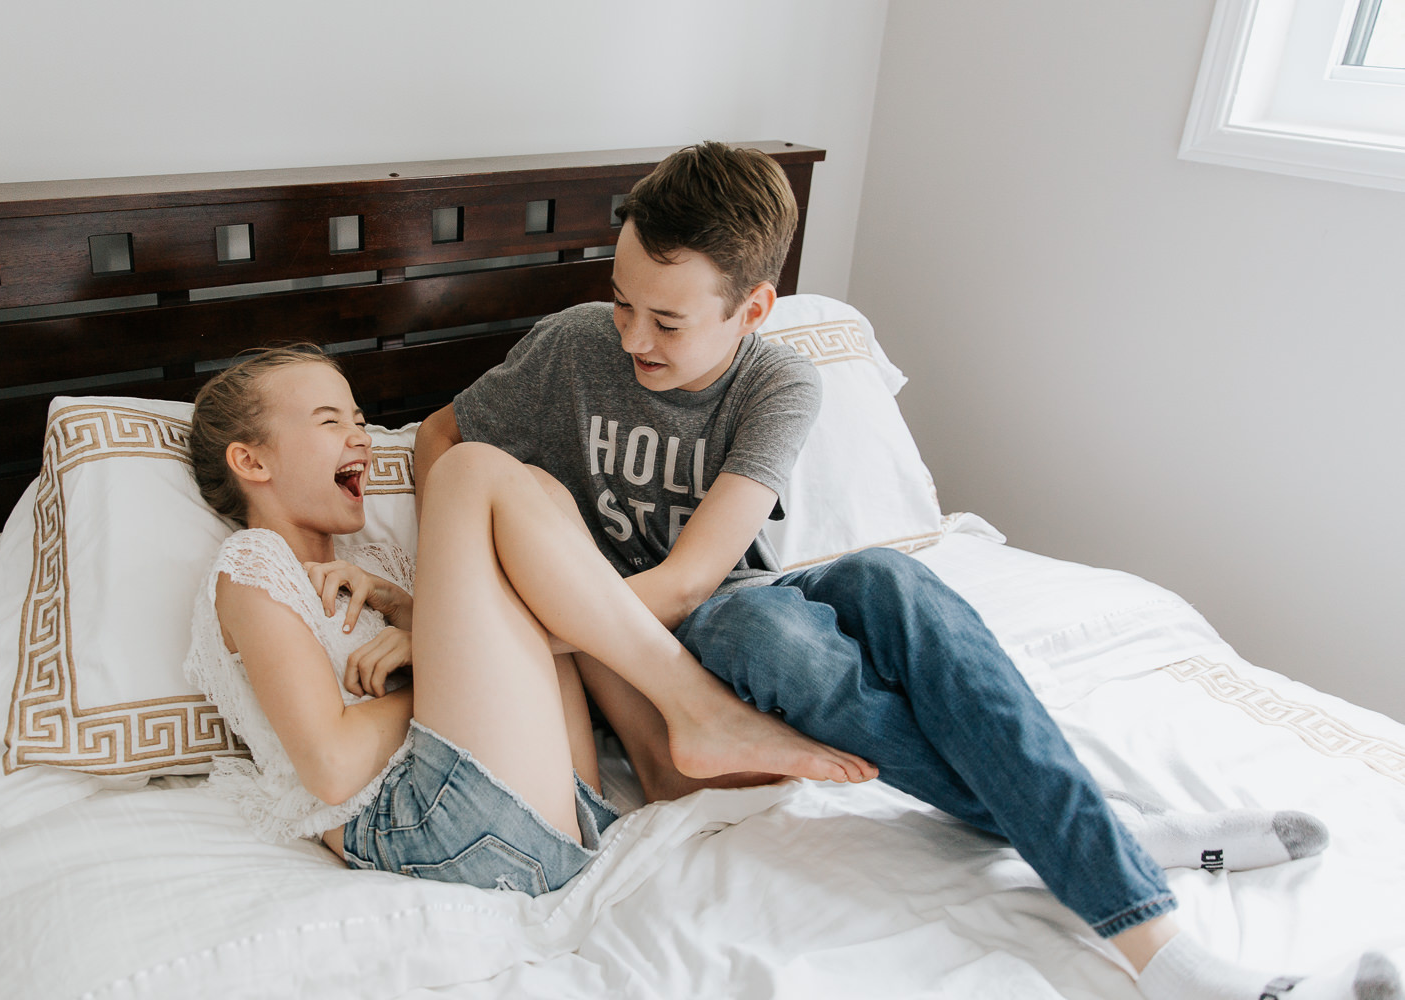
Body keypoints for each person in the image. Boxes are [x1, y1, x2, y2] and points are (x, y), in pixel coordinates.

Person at [411, 143, 1400, 999]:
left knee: (886, 579)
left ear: (754, 307)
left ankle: (1137, 876)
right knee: (758, 629)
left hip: (714, 598)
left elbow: (693, 574)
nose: (633, 337)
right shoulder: (574, 349)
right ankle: (1146, 887)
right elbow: (446, 437)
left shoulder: (781, 382)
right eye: (624, 302)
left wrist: (538, 621)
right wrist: (461, 591)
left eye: (668, 322)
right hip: (679, 647)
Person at [180, 346, 875, 898]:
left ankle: (657, 754)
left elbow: (484, 667)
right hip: (424, 826)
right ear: (251, 460)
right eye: (331, 420)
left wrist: (416, 622)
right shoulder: (252, 565)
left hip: (551, 810)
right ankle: (692, 707)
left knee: (539, 488)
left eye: (360, 419)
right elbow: (330, 767)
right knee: (467, 470)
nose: (359, 435)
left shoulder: (375, 565)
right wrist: (430, 664)